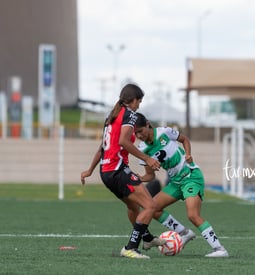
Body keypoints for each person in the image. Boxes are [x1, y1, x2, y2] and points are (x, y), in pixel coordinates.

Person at [80, 83, 164, 259]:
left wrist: (90, 170)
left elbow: (103, 147)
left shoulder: (112, 116)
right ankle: (130, 248)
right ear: (132, 100)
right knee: (150, 205)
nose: (139, 105)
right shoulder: (129, 115)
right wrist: (147, 158)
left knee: (134, 207)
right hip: (117, 171)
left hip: (107, 172)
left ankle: (147, 238)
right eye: (139, 101)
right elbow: (124, 141)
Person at [133, 112, 229, 257]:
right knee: (152, 208)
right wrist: (139, 178)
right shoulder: (142, 149)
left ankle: (220, 249)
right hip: (175, 182)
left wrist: (188, 154)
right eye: (135, 133)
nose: (139, 135)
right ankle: (184, 233)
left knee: (193, 215)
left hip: (190, 177)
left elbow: (184, 139)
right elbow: (150, 176)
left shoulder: (164, 132)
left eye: (140, 131)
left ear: (147, 124)